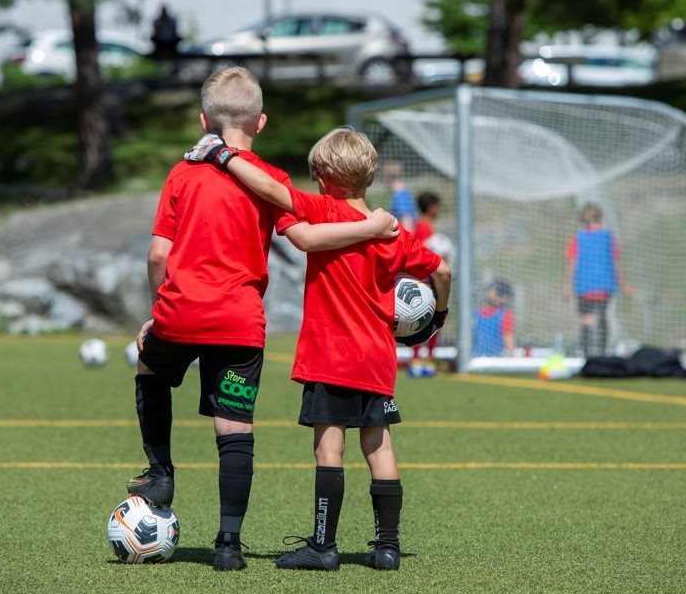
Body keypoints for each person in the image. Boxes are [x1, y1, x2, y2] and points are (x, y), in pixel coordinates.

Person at [128, 68, 399, 572]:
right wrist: (374, 226)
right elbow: (305, 239)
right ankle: (228, 547)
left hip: (180, 310)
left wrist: (156, 311)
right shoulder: (272, 179)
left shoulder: (182, 173)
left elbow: (156, 254)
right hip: (239, 323)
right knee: (233, 429)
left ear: (204, 119)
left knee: (150, 367)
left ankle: (159, 470)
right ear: (261, 123)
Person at [184, 126, 452, 571]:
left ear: (323, 176)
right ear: (368, 176)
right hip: (378, 357)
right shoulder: (395, 233)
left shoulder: (325, 210)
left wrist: (223, 155)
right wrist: (437, 317)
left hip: (332, 356)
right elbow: (441, 271)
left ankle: (324, 547)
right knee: (378, 446)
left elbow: (272, 188)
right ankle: (387, 548)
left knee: (329, 449)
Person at [561, 203, 634, 357]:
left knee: (587, 320)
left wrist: (566, 286)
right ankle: (602, 355)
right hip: (604, 286)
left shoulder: (577, 238)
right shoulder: (608, 237)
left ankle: (587, 355)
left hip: (584, 287)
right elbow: (615, 264)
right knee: (602, 317)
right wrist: (624, 284)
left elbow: (572, 264)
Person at [408, 191, 441, 376]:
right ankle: (422, 357)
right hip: (427, 277)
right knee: (429, 318)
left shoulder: (424, 225)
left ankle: (426, 357)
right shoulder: (424, 226)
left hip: (428, 276)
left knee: (430, 319)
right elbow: (421, 250)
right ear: (431, 207)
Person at [473, 279, 515, 357]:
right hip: (478, 361)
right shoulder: (475, 314)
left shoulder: (505, 315)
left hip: (489, 361)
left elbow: (508, 341)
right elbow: (509, 342)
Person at [381, 161, 416, 230]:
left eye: (383, 175)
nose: (382, 179)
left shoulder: (400, 195)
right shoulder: (399, 193)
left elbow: (407, 222)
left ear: (389, 177)